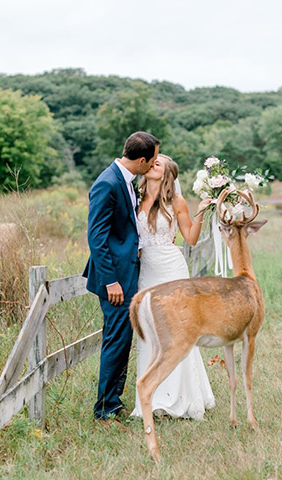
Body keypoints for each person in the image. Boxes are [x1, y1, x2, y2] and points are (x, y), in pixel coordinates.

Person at [131, 153, 216, 420]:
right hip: (147, 273)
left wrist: (202, 210)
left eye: (157, 163)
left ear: (166, 173)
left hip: (172, 270)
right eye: (150, 162)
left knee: (177, 330)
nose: (150, 165)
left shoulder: (176, 202)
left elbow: (190, 238)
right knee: (150, 329)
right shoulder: (135, 199)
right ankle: (153, 397)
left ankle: (183, 397)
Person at [83, 131, 160, 421]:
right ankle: (105, 408)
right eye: (151, 161)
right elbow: (96, 237)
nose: (152, 165)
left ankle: (114, 400)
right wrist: (110, 280)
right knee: (116, 339)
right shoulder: (107, 183)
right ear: (141, 160)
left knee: (123, 338)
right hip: (114, 278)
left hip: (127, 273)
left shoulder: (124, 180)